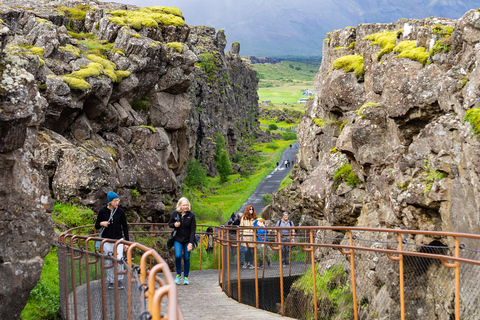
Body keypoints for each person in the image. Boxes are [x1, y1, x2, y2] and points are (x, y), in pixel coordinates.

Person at [95, 191, 129, 290]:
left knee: (119, 259)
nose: (117, 203)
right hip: (106, 241)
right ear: (110, 201)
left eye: (118, 200)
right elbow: (96, 225)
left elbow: (125, 227)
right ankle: (111, 281)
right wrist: (102, 223)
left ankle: (119, 280)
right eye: (115, 201)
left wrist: (126, 243)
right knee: (108, 261)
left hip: (118, 240)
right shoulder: (102, 211)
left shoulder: (120, 212)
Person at [169, 197, 196, 285]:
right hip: (178, 239)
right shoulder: (175, 214)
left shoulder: (191, 215)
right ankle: (178, 274)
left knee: (186, 258)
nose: (185, 207)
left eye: (187, 205)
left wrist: (191, 243)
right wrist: (174, 224)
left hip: (188, 239)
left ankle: (186, 276)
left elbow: (193, 230)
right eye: (184, 205)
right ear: (180, 206)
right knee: (177, 256)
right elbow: (170, 224)